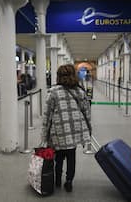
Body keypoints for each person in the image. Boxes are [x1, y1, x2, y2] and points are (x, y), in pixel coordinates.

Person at [41, 64, 91, 193]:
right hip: (74, 130)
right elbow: (87, 111)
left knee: (58, 158)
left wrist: (44, 135)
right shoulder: (80, 91)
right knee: (71, 157)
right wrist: (88, 128)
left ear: (58, 76)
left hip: (58, 131)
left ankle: (57, 180)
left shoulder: (53, 92)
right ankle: (69, 181)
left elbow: (47, 114)